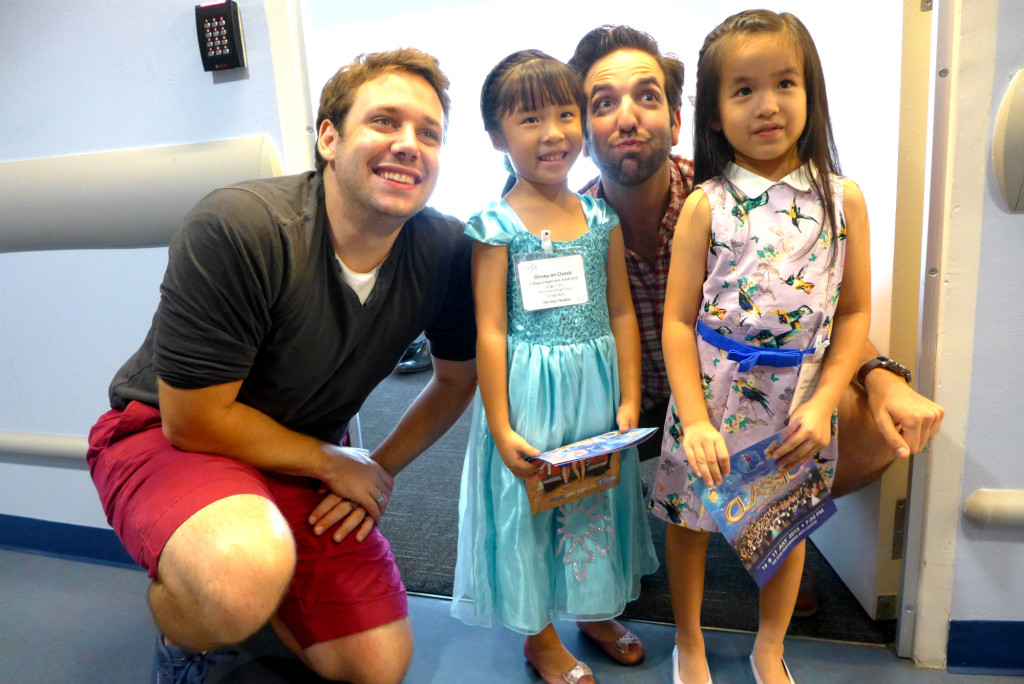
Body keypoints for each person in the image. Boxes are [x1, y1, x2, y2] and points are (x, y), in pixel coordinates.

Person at [85, 48, 477, 684]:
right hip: (164, 435)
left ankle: (253, 585)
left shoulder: (445, 250)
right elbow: (194, 421)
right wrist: (331, 462)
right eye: (384, 122)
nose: (409, 144)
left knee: (376, 665)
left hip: (296, 452)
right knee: (234, 579)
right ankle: (190, 626)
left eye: (428, 133)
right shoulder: (242, 227)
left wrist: (377, 467)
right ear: (328, 137)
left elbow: (457, 379)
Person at [568, 23, 944, 617]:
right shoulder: (570, 229)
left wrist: (881, 377)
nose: (628, 116)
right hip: (620, 401)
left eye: (647, 96)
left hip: (744, 390)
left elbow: (817, 312)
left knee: (864, 429)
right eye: (603, 102)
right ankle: (598, 556)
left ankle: (764, 536)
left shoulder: (732, 193)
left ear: (676, 115)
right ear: (582, 129)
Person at [651, 10, 870, 683]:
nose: (767, 105)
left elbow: (855, 312)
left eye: (784, 83)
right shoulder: (704, 205)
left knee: (786, 528)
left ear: (811, 93)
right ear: (714, 114)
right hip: (713, 395)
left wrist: (826, 400)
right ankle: (688, 638)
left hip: (798, 401)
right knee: (692, 523)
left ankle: (768, 646)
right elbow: (677, 323)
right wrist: (692, 419)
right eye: (743, 90)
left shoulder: (843, 200)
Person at [449, 50, 658, 684]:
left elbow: (622, 311)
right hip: (527, 394)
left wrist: (628, 395)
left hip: (594, 391)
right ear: (496, 138)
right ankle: (538, 635)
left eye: (566, 114)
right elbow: (490, 329)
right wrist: (500, 421)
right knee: (532, 507)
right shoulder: (495, 226)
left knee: (592, 501)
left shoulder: (600, 217)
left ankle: (593, 611)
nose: (554, 133)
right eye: (530, 119)